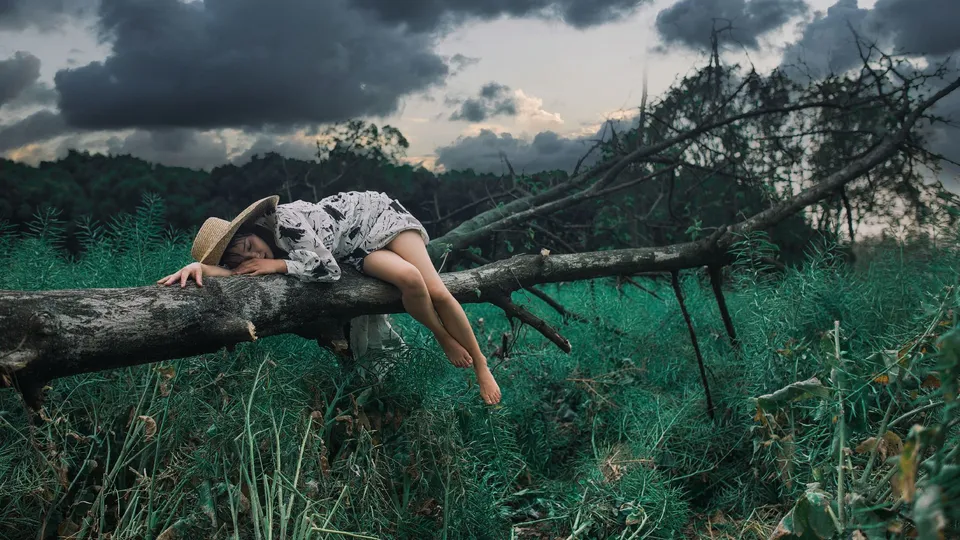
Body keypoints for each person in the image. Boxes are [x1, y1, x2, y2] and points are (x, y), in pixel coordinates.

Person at [157, 192, 502, 405]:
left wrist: (277, 263)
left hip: (379, 217)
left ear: (253, 230)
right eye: (240, 258)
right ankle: (442, 336)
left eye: (249, 246)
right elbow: (242, 272)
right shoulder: (253, 256)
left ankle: (481, 364)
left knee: (436, 289)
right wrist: (196, 267)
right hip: (354, 252)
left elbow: (326, 270)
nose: (253, 255)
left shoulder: (286, 221)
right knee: (410, 280)